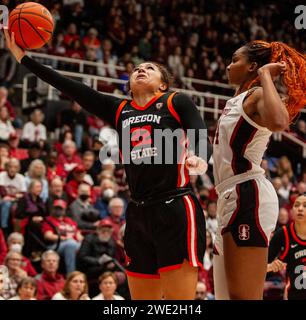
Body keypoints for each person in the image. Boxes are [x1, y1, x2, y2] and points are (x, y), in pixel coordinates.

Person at [5, 31, 212, 300]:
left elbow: (199, 133)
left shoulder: (174, 101)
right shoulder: (120, 110)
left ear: (163, 85)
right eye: (137, 68)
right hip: (137, 211)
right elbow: (73, 87)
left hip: (174, 207)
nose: (141, 70)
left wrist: (199, 157)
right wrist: (24, 59)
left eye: (149, 68)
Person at [212, 40, 306, 300]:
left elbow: (279, 122)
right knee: (224, 296)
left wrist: (266, 75)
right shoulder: (236, 100)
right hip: (229, 194)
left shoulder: (257, 95)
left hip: (247, 194)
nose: (229, 65)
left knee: (244, 297)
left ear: (252, 66)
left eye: (235, 60)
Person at [268, 194, 306, 300]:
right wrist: (270, 266)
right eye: (296, 205)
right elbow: (261, 267)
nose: (300, 209)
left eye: (305, 206)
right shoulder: (283, 234)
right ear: (291, 211)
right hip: (294, 295)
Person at [42, 199, 83, 274]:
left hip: (74, 243)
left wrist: (82, 240)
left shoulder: (70, 221)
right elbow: (48, 236)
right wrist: (64, 238)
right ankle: (71, 275)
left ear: (64, 210)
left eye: (60, 209)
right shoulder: (49, 220)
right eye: (56, 208)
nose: (58, 210)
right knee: (71, 244)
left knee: (85, 246)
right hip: (55, 246)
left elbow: (78, 234)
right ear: (53, 209)